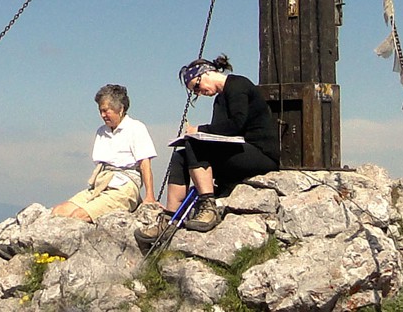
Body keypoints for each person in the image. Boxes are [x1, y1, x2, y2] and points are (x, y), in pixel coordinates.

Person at [145, 55, 279, 236]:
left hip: (260, 154)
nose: (200, 93)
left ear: (206, 73)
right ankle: (170, 217)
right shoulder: (220, 99)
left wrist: (199, 130)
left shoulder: (238, 85)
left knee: (195, 144)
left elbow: (235, 125)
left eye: (197, 87)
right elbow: (219, 134)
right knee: (181, 156)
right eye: (195, 92)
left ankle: (208, 206)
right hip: (239, 153)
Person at [51, 84, 158, 221]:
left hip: (124, 187)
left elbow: (145, 163)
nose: (102, 115)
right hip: (101, 185)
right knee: (58, 212)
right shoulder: (102, 131)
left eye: (106, 111)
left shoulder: (136, 128)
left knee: (79, 216)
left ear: (120, 109)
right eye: (100, 111)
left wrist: (150, 196)